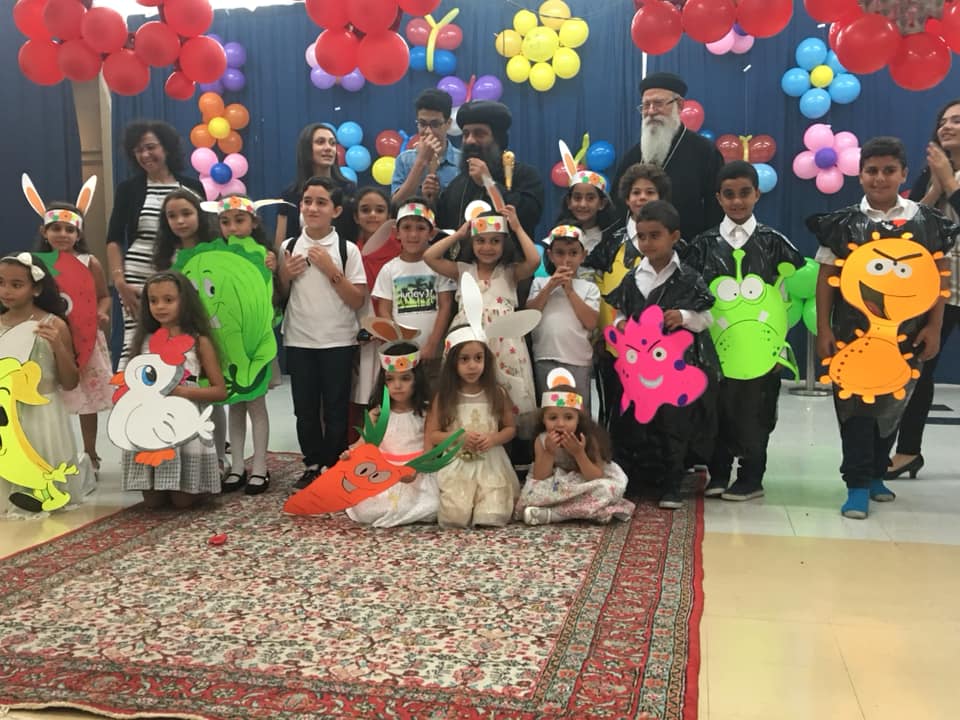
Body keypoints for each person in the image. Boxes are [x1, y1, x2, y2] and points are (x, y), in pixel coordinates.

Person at [809, 136, 957, 519]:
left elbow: (939, 276)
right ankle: (857, 483)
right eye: (871, 170)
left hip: (907, 335)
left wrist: (935, 326)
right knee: (855, 407)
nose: (880, 178)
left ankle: (877, 472)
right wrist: (824, 329)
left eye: (889, 170)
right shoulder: (843, 224)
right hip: (852, 334)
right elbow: (826, 279)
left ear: (903, 174)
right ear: (859, 175)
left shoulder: (927, 222)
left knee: (893, 404)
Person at [683, 160, 804, 500]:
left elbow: (784, 299)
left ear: (757, 194)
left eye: (744, 193)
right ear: (718, 198)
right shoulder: (703, 245)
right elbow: (693, 296)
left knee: (755, 409)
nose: (737, 201)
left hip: (760, 345)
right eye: (729, 194)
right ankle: (719, 472)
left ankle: (752, 476)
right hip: (717, 344)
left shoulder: (773, 243)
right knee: (717, 408)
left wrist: (778, 347)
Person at [605, 201, 716, 509]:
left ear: (674, 236)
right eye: (642, 236)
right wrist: (620, 323)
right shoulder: (632, 279)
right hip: (637, 370)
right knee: (635, 421)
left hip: (672, 370)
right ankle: (637, 478)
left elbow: (706, 318)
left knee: (672, 424)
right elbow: (619, 312)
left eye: (655, 235)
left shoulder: (688, 278)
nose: (647, 243)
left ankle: (672, 483)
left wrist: (683, 316)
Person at [887, 99, 960, 479]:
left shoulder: (949, 174)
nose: (947, 126)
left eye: (957, 121)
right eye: (943, 120)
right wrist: (935, 187)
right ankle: (908, 451)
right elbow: (908, 225)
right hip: (939, 285)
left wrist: (952, 183)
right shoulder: (933, 171)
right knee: (919, 365)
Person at [278, 176, 367, 490]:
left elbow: (357, 300)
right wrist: (284, 276)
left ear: (336, 210)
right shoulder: (289, 247)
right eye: (307, 201)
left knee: (335, 407)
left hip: (338, 340)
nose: (312, 208)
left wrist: (331, 270)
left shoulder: (347, 249)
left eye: (321, 202)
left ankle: (333, 463)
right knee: (304, 409)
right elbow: (279, 296)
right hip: (299, 339)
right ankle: (312, 463)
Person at [424, 206, 541, 437]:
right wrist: (458, 235)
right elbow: (430, 257)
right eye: (481, 241)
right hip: (469, 341)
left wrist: (517, 227)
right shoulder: (462, 270)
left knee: (507, 393)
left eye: (495, 241)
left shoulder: (510, 272)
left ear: (504, 243)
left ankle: (507, 443)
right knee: (467, 389)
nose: (487, 247)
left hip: (504, 343)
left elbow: (534, 260)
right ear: (472, 242)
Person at [120, 271, 227, 509]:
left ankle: (206, 481)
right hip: (150, 426)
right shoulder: (143, 340)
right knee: (153, 503)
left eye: (168, 300)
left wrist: (183, 392)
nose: (160, 306)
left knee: (182, 502)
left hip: (185, 425)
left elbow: (220, 391)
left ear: (185, 301)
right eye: (153, 300)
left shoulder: (199, 342)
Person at [0, 253, 95, 515]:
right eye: (1, 283)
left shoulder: (54, 325)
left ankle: (47, 495)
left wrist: (58, 346)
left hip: (43, 414)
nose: (6, 291)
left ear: (36, 288)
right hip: (6, 411)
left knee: (40, 464)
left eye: (16, 285)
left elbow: (70, 382)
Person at [106, 121, 203, 369]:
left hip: (181, 274)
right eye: (138, 150)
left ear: (166, 148)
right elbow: (113, 238)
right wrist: (119, 281)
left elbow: (204, 232)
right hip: (136, 277)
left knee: (180, 336)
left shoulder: (192, 187)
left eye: (150, 147)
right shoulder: (128, 189)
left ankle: (181, 388)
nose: (145, 155)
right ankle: (127, 388)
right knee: (136, 338)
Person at [32, 189, 113, 472]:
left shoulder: (90, 262)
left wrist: (101, 312)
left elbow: (103, 295)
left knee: (86, 398)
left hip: (84, 338)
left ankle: (90, 453)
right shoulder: (35, 264)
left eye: (69, 229)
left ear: (79, 234)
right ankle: (51, 452)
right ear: (44, 231)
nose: (62, 234)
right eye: (56, 228)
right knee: (47, 394)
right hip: (48, 337)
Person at [585, 163, 671, 428]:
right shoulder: (610, 242)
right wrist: (599, 334)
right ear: (626, 198)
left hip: (658, 349)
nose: (642, 197)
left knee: (655, 416)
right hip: (614, 346)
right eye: (636, 192)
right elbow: (595, 289)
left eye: (650, 192)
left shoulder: (675, 245)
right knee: (614, 414)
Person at [211, 197, 279, 496]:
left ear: (253, 222)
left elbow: (270, 297)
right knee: (234, 403)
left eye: (239, 220)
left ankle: (260, 466)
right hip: (226, 342)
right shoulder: (215, 256)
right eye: (225, 222)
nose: (232, 227)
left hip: (255, 341)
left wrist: (272, 269)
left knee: (255, 402)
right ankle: (238, 465)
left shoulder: (263, 255)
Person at [515, 369, 634, 525]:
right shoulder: (542, 439)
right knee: (532, 492)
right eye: (553, 418)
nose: (560, 424)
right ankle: (583, 511)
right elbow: (540, 477)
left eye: (568, 417)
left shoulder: (589, 437)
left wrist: (579, 453)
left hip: (585, 481)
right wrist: (549, 452)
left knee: (605, 489)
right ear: (543, 419)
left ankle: (554, 514)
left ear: (579, 418)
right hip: (558, 484)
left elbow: (596, 476)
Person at [425, 329, 518, 528]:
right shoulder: (444, 396)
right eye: (464, 359)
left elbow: (510, 428)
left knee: (492, 515)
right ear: (453, 363)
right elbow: (433, 435)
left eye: (478, 358)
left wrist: (493, 439)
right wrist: (457, 437)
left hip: (490, 463)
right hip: (457, 464)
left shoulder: (497, 393)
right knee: (454, 516)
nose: (472, 365)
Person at [613, 73, 723, 242]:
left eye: (658, 103)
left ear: (679, 105)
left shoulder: (705, 152)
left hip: (690, 250)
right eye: (646, 105)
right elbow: (618, 207)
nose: (651, 111)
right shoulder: (633, 156)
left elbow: (716, 209)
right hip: (637, 250)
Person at [345, 340, 439, 527]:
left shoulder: (426, 412)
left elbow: (429, 452)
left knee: (433, 506)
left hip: (415, 473)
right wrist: (350, 453)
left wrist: (414, 471)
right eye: (390, 379)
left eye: (405, 378)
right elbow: (363, 443)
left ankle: (406, 509)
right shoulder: (377, 413)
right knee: (366, 509)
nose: (397, 385)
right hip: (384, 474)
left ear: (417, 379)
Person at [373, 199, 455, 388]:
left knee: (434, 396)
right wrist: (399, 344)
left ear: (431, 233)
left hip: (433, 353)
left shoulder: (439, 267)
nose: (413, 234)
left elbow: (446, 306)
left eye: (421, 228)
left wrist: (432, 344)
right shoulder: (389, 269)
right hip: (401, 356)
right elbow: (384, 310)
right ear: (397, 232)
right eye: (407, 227)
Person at [434, 100, 544, 238]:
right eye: (466, 134)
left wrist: (488, 183)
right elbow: (443, 228)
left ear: (498, 139)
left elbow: (529, 217)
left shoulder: (525, 175)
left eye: (479, 134)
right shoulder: (458, 183)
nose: (470, 140)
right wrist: (432, 200)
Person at [525, 223, 600, 416]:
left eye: (573, 253)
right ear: (550, 255)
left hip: (578, 360)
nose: (566, 259)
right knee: (549, 411)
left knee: (578, 413)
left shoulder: (589, 288)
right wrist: (550, 286)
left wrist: (570, 291)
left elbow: (591, 322)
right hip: (545, 357)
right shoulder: (539, 283)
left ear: (583, 255)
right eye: (560, 253)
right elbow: (530, 315)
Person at [350, 187, 400, 431]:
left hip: (392, 326)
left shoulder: (401, 250)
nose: (372, 215)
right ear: (355, 216)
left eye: (379, 210)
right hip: (361, 328)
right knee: (363, 389)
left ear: (389, 216)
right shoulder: (351, 252)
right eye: (365, 210)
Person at [275, 123, 357, 249]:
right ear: (306, 149)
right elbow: (280, 245)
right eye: (320, 142)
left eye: (332, 143)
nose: (328, 148)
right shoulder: (290, 194)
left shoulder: (348, 189)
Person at [391, 88, 463, 205]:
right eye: (422, 124)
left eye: (435, 124)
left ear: (448, 124)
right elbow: (396, 205)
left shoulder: (461, 161)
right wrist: (421, 162)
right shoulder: (404, 160)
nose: (428, 131)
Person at [153, 190, 218, 270]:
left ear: (200, 214)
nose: (180, 221)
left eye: (186, 214)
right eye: (172, 216)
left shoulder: (215, 251)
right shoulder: (167, 256)